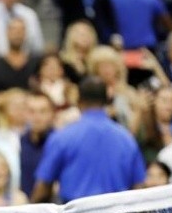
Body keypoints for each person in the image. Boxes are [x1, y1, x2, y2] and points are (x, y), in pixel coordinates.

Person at [30, 76, 147, 204]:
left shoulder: (62, 137)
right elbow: (139, 186)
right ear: (106, 101)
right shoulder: (126, 139)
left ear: (79, 101)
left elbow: (43, 188)